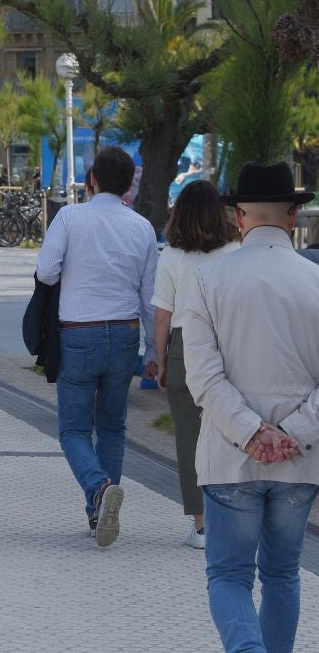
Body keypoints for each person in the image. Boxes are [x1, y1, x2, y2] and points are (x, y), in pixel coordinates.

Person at [178, 162, 319, 653]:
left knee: (229, 576)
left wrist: (250, 432)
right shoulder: (315, 280)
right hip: (299, 461)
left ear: (239, 216)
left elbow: (202, 376)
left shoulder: (208, 279)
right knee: (282, 574)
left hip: (229, 454)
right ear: (294, 215)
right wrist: (292, 433)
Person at [35, 146, 157, 547]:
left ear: (92, 180)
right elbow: (149, 296)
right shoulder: (143, 228)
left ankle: (100, 490)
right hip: (125, 333)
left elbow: (46, 271)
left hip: (79, 333)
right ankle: (99, 512)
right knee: (113, 427)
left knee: (73, 428)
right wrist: (154, 352)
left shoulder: (70, 217)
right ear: (129, 186)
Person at [151, 180, 239, 550]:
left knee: (189, 437)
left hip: (184, 347)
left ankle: (201, 526)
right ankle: (234, 519)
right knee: (232, 434)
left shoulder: (171, 255)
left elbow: (162, 315)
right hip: (227, 345)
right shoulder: (236, 251)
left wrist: (160, 360)